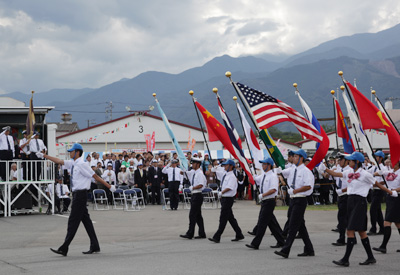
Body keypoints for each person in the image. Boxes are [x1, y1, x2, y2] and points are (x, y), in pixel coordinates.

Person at [43, 143, 115, 256]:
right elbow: (59, 161)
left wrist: (109, 186)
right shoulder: (73, 163)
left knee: (73, 222)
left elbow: (95, 176)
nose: (70, 153)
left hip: (80, 195)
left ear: (77, 152)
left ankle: (64, 247)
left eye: (71, 151)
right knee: (87, 222)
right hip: (77, 195)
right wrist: (46, 156)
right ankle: (95, 246)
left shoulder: (82, 164)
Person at [324, 151, 376, 266]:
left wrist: (390, 191)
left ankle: (345, 259)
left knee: (350, 230)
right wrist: (324, 168)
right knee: (362, 232)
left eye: (351, 160)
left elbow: (376, 183)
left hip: (359, 202)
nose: (349, 162)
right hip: (350, 201)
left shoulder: (365, 174)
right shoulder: (349, 172)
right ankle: (371, 257)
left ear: (357, 162)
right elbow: (336, 174)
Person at [274, 149, 315, 259]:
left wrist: (295, 191)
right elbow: (283, 172)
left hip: (300, 199)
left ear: (301, 158)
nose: (294, 158)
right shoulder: (293, 169)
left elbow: (308, 186)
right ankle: (309, 249)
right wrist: (278, 168)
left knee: (293, 225)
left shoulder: (306, 171)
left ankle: (286, 250)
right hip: (293, 200)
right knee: (300, 226)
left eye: (296, 156)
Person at [246, 158, 285, 249]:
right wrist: (251, 174)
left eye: (264, 164)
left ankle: (255, 243)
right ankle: (281, 241)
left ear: (269, 165)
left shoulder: (272, 176)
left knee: (262, 223)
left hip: (269, 201)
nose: (262, 166)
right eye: (262, 164)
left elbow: (273, 189)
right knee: (272, 223)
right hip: (265, 201)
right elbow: (253, 181)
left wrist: (263, 195)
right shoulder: (264, 175)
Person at [208, 159, 244, 243]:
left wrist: (221, 192)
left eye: (226, 165)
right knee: (230, 218)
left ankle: (217, 236)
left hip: (228, 198)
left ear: (231, 166)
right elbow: (215, 172)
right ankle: (239, 234)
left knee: (223, 218)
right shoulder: (225, 174)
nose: (224, 166)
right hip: (224, 198)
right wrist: (214, 168)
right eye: (224, 165)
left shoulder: (232, 176)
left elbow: (229, 187)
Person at [372, 159, 400, 254]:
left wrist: (394, 190)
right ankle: (383, 246)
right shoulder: (390, 171)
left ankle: (383, 246)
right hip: (390, 197)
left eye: (392, 162)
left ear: (397, 164)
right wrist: (377, 173)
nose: (390, 164)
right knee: (398, 223)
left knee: (387, 222)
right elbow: (380, 173)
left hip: (397, 197)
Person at [180, 157, 206, 239]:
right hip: (194, 195)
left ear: (198, 164)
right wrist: (183, 168)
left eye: (193, 163)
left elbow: (201, 185)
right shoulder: (193, 172)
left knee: (192, 215)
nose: (192, 165)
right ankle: (202, 233)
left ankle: (190, 233)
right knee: (198, 216)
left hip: (197, 195)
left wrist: (193, 187)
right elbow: (183, 173)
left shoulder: (200, 174)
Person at [367, 151, 387, 236]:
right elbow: (368, 174)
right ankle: (382, 228)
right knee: (378, 210)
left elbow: (384, 181)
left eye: (377, 156)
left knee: (373, 210)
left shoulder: (383, 168)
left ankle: (373, 228)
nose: (375, 158)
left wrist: (376, 184)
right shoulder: (373, 167)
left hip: (379, 190)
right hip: (373, 190)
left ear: (381, 158)